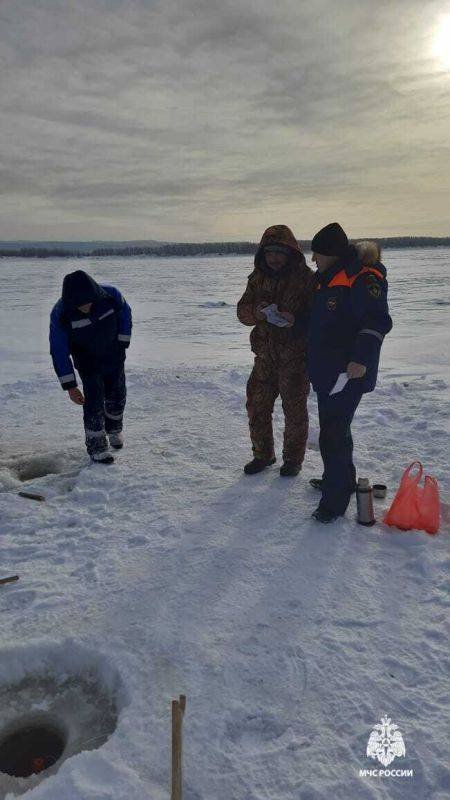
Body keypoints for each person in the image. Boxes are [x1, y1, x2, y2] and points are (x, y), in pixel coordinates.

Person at [307, 223, 392, 522]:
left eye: (317, 253)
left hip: (348, 372)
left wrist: (361, 359)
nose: (313, 259)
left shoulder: (362, 278)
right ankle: (336, 480)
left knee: (334, 434)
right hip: (326, 372)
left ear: (330, 253)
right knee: (332, 431)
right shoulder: (325, 279)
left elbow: (377, 321)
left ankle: (335, 500)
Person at [237, 225, 316, 476]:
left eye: (279, 253)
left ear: (291, 252)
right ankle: (263, 455)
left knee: (294, 411)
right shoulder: (257, 278)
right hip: (264, 358)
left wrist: (296, 320)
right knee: (256, 406)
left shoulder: (307, 279)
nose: (274, 258)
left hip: (295, 358)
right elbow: (242, 311)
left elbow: (320, 318)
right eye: (269, 253)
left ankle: (293, 461)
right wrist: (256, 313)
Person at [49, 270, 132, 464]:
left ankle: (114, 430)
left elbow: (125, 315)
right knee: (94, 402)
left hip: (114, 357)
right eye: (79, 304)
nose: (85, 307)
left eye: (87, 301)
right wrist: (70, 385)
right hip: (88, 363)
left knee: (117, 396)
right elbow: (58, 350)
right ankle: (97, 447)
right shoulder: (61, 313)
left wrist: (122, 343)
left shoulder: (111, 296)